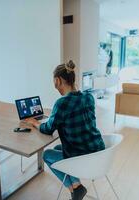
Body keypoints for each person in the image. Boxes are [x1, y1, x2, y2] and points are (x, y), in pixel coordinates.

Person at [25, 60, 105, 200]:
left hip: (84, 158)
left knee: (47, 154)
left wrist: (35, 123)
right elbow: (75, 117)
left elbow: (48, 129)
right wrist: (56, 118)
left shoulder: (62, 103)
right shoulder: (88, 97)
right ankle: (76, 189)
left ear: (57, 81)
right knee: (57, 146)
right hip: (99, 152)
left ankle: (75, 188)